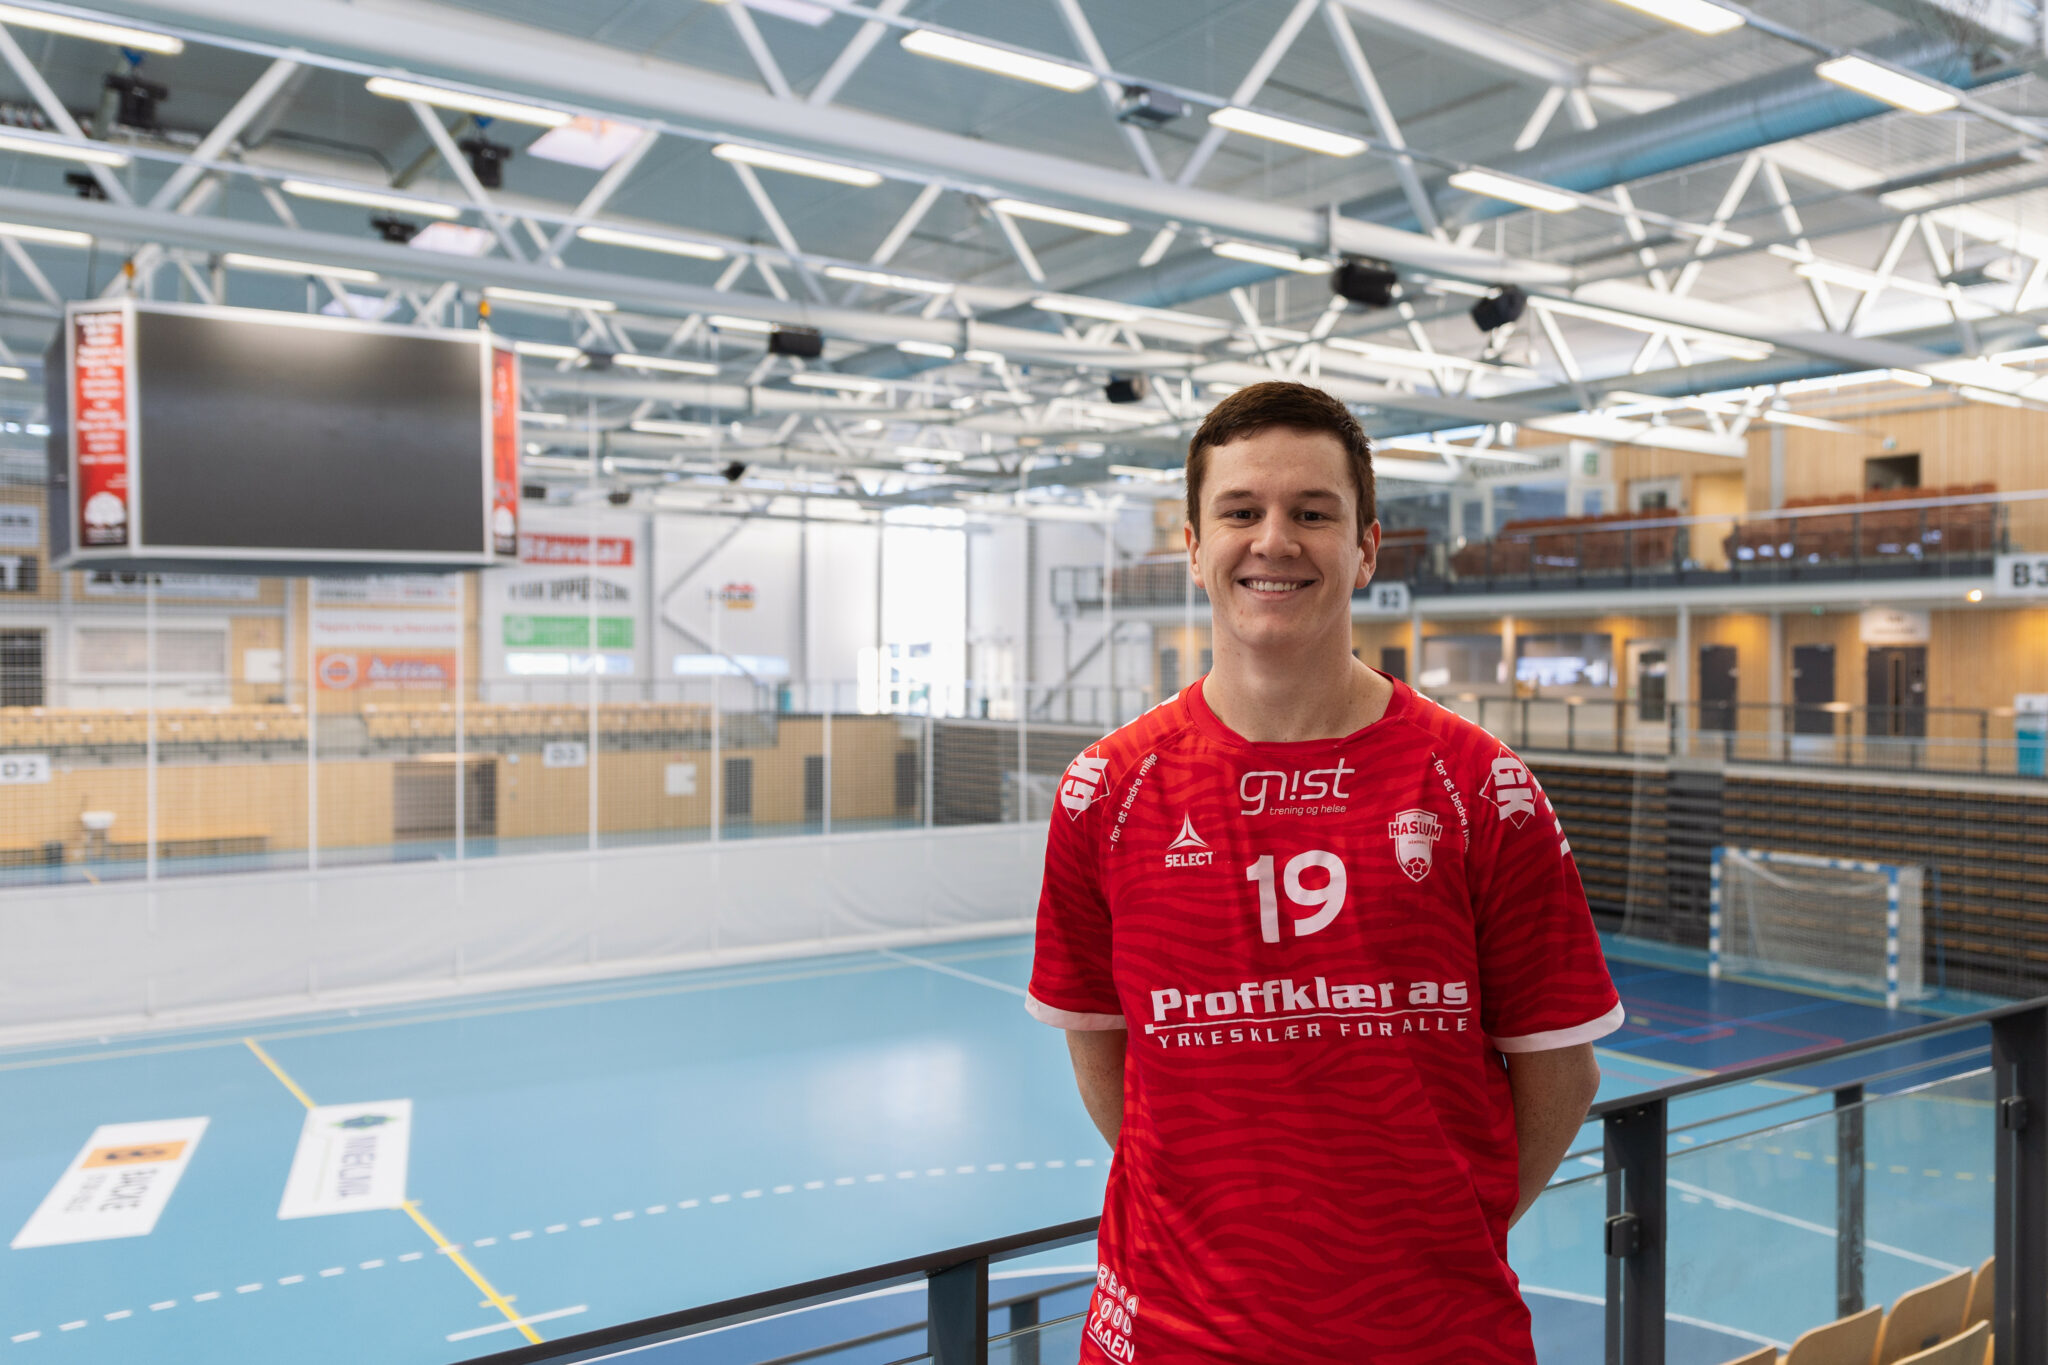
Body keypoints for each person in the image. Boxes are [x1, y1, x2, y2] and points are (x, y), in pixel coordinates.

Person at [1027, 380, 1621, 1364]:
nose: (1274, 541)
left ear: (1365, 547)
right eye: (1240, 513)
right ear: (1192, 546)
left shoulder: (1479, 785)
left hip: (1430, 1340)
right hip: (1171, 1338)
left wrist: (1438, 1235)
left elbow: (1561, 1071)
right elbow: (1101, 1047)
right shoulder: (1107, 789)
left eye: (1312, 513)